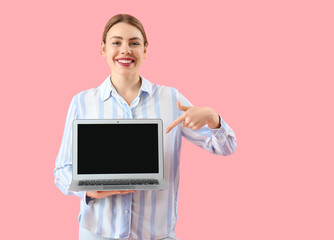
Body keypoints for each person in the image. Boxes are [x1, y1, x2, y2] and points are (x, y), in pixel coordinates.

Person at [54, 14, 237, 240]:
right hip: (97, 233)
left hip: (157, 235)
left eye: (134, 43)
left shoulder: (171, 99)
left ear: (145, 49)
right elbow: (62, 170)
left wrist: (213, 118)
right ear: (103, 49)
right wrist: (87, 190)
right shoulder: (82, 102)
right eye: (116, 42)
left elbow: (227, 147)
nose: (125, 50)